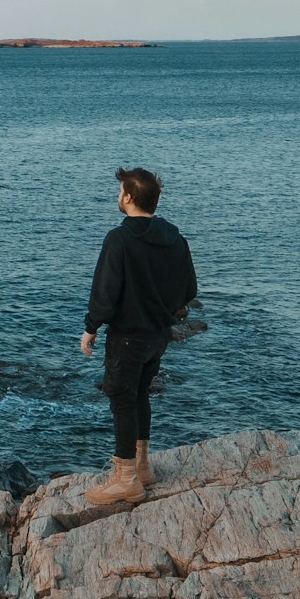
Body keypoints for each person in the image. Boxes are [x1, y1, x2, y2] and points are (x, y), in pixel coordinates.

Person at [79, 167, 198, 505]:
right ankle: (143, 466)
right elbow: (189, 289)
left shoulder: (119, 239)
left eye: (121, 191)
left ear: (128, 197)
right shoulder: (175, 238)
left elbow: (105, 293)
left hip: (128, 337)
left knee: (120, 398)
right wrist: (162, 311)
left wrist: (91, 328)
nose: (119, 196)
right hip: (159, 335)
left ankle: (127, 478)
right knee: (140, 394)